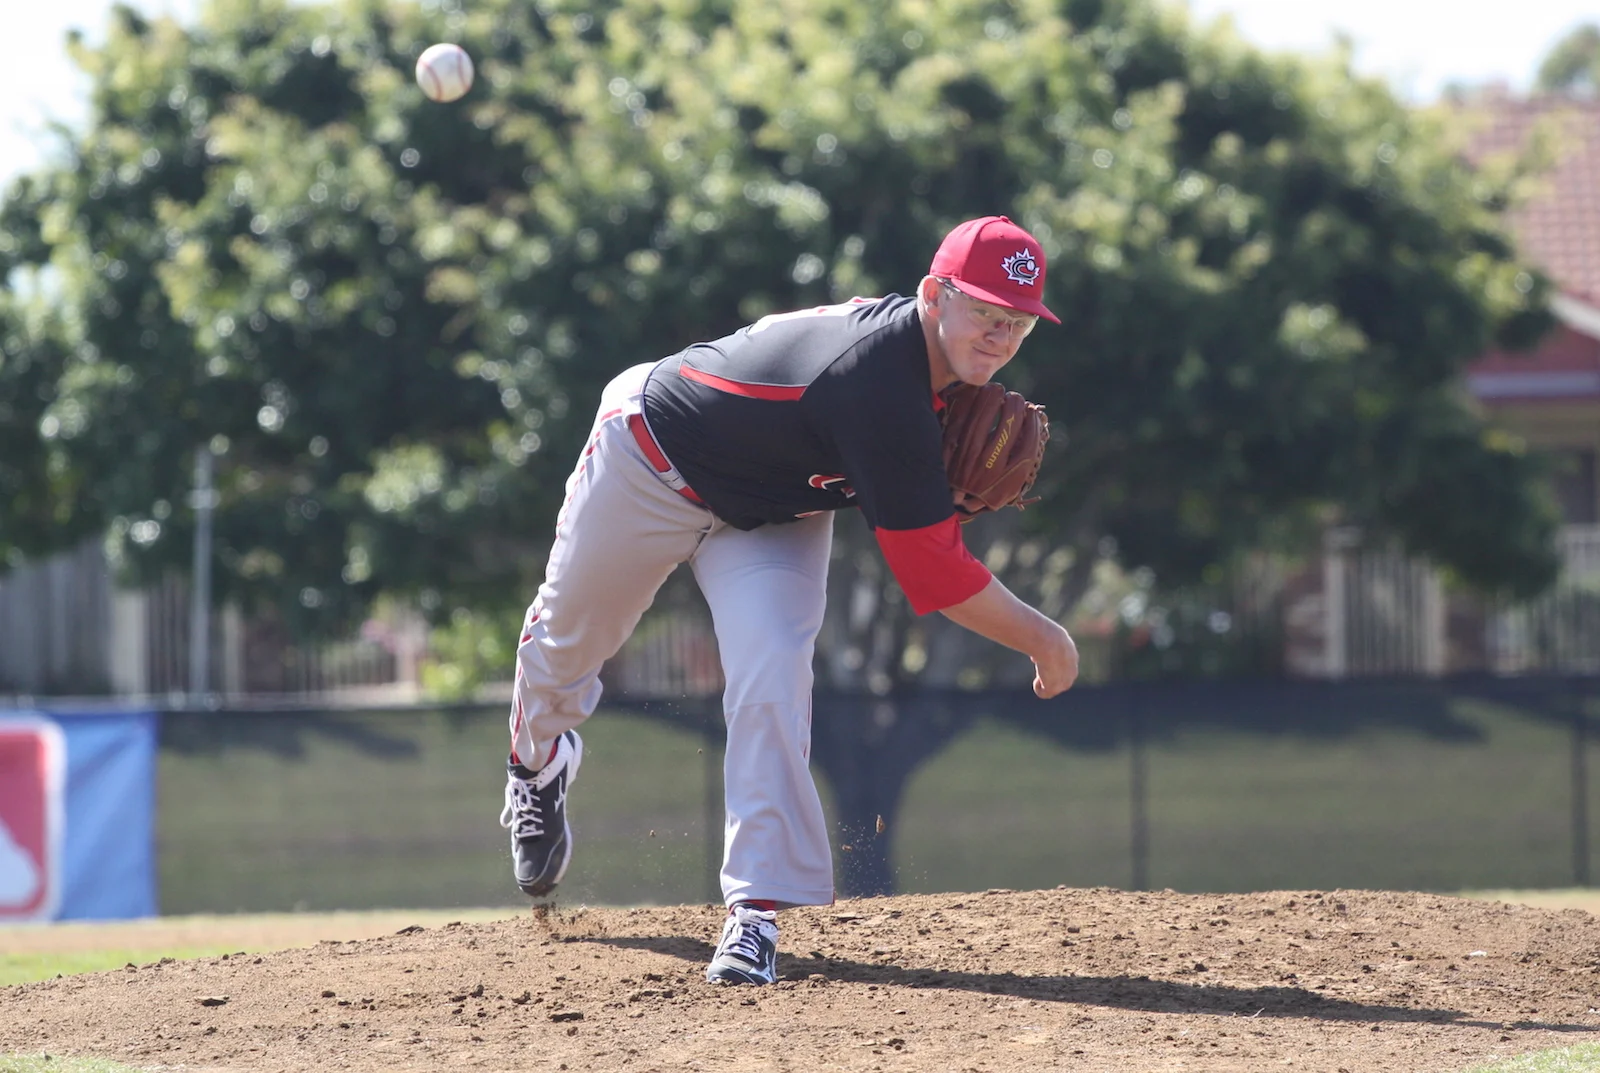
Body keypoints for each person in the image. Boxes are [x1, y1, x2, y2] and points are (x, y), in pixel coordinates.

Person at [498, 215, 1080, 985]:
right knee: (565, 646)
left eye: (1016, 323)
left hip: (775, 514)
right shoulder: (878, 374)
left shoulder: (933, 390)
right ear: (934, 294)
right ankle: (536, 764)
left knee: (774, 671)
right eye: (983, 311)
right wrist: (1046, 638)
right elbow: (934, 574)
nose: (1001, 337)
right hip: (651, 455)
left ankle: (754, 915)